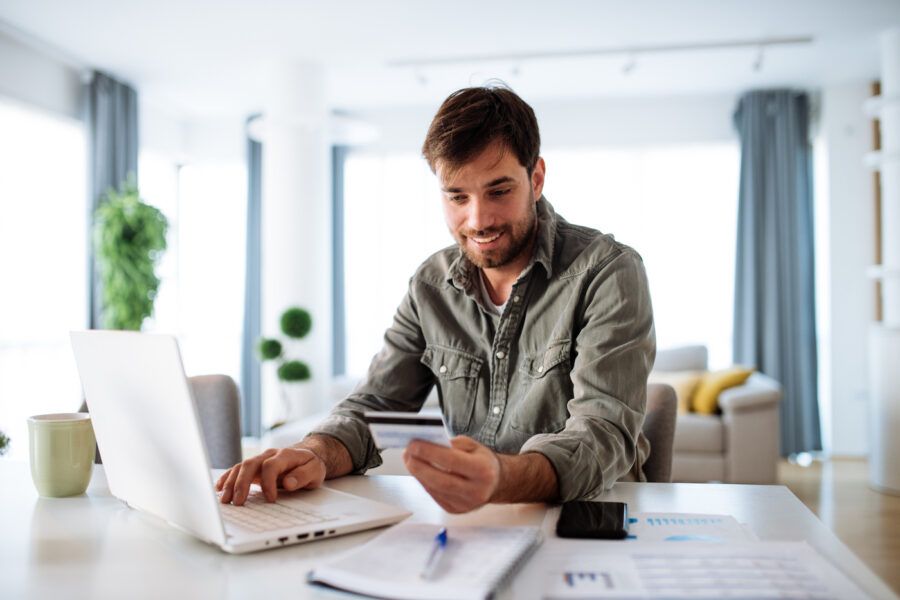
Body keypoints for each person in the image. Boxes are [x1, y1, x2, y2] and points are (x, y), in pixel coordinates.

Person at [217, 84, 655, 513]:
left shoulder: (607, 271)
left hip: (593, 521)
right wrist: (315, 452)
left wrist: (500, 479)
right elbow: (377, 404)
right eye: (457, 196)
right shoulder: (430, 284)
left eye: (499, 191)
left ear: (535, 178)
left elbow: (602, 433)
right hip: (480, 524)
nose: (478, 219)